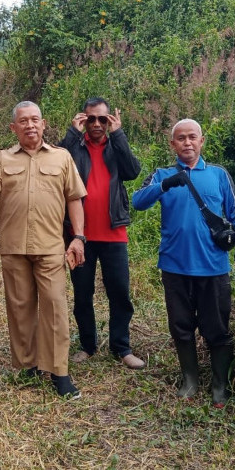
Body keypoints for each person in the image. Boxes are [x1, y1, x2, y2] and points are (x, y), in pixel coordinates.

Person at [131, 118, 235, 408]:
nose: (187, 142)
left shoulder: (218, 175)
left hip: (214, 267)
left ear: (201, 141)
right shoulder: (162, 174)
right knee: (181, 326)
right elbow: (137, 201)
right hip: (174, 267)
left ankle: (220, 386)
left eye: (192, 137)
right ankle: (190, 379)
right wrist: (165, 184)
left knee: (218, 329)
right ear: (172, 144)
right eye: (181, 138)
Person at [0, 101, 87, 399]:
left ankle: (59, 372)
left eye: (34, 120)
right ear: (13, 127)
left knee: (55, 307)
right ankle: (27, 365)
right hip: (13, 246)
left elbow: (74, 198)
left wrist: (78, 237)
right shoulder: (0, 158)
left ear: (43, 124)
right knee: (20, 307)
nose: (29, 125)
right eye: (23, 121)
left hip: (51, 246)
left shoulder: (62, 157)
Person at [58, 97, 144, 369]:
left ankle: (122, 346)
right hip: (79, 235)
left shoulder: (115, 146)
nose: (96, 124)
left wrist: (119, 135)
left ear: (110, 121)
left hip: (114, 233)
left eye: (102, 119)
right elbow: (55, 165)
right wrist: (72, 133)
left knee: (119, 292)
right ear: (83, 120)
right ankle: (88, 345)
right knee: (83, 294)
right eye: (90, 119)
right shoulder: (75, 147)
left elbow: (132, 171)